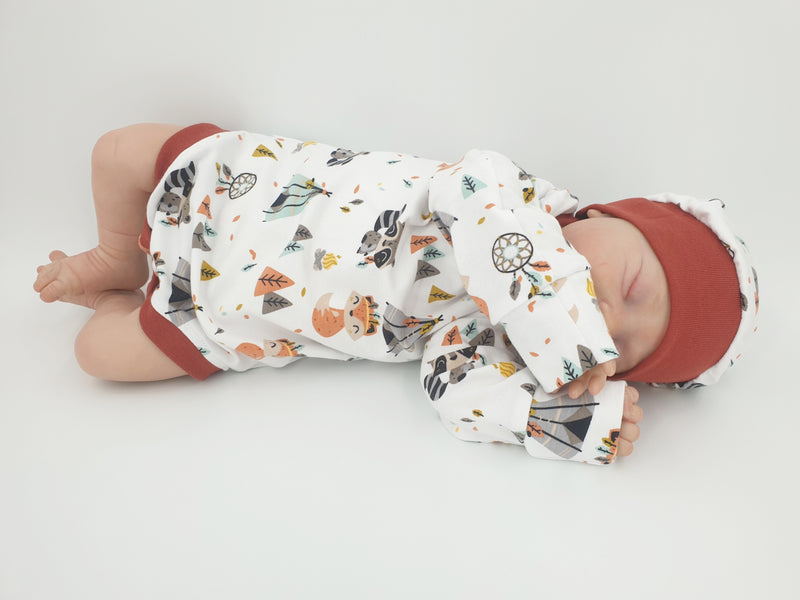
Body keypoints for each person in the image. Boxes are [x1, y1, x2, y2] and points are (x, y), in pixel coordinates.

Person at [33, 124, 759, 465]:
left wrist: (557, 414)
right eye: (628, 287)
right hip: (242, 186)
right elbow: (469, 186)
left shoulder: (501, 344)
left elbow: (454, 390)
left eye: (618, 343)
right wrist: (556, 312)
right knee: (118, 152)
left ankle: (118, 300)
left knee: (97, 355)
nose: (602, 313)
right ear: (609, 213)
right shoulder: (514, 199)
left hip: (231, 318)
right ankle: (114, 256)